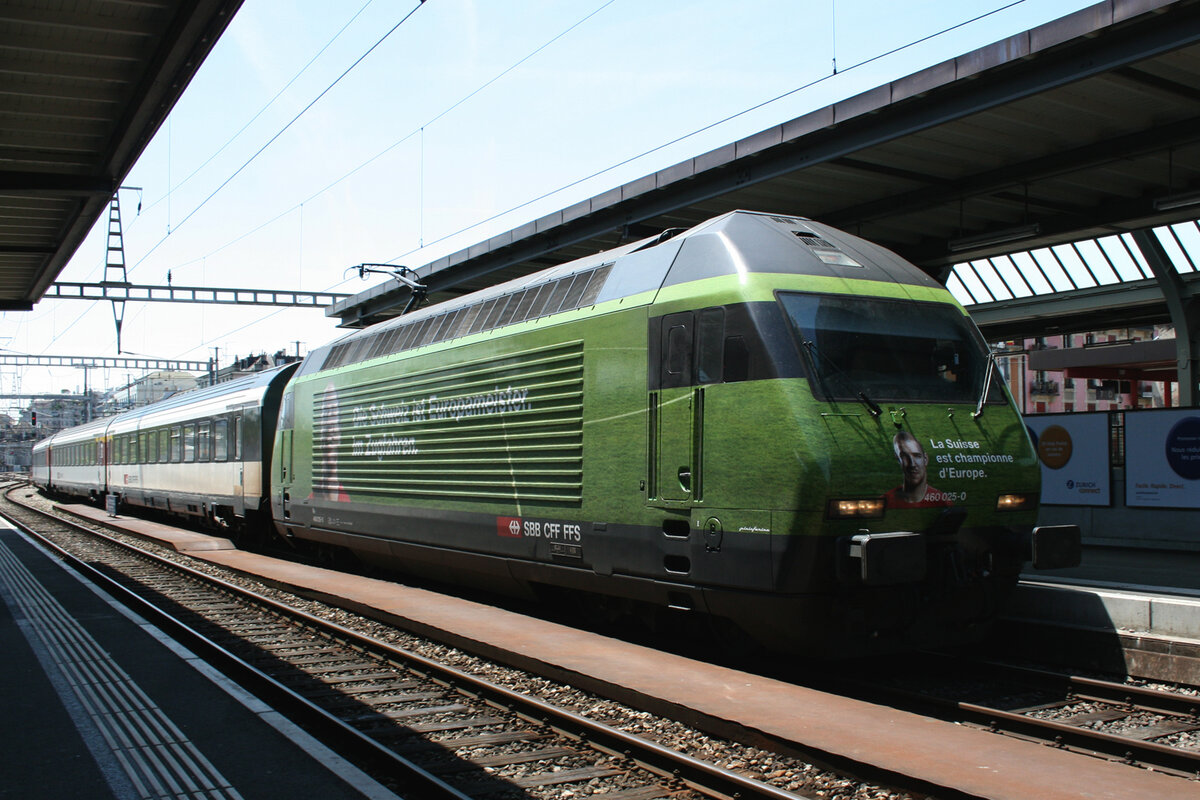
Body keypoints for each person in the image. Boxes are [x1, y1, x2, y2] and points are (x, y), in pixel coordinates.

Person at [884, 431, 952, 508]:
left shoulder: (942, 501)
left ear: (925, 459)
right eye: (904, 457)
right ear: (898, 459)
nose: (912, 464)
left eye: (917, 456)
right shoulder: (886, 501)